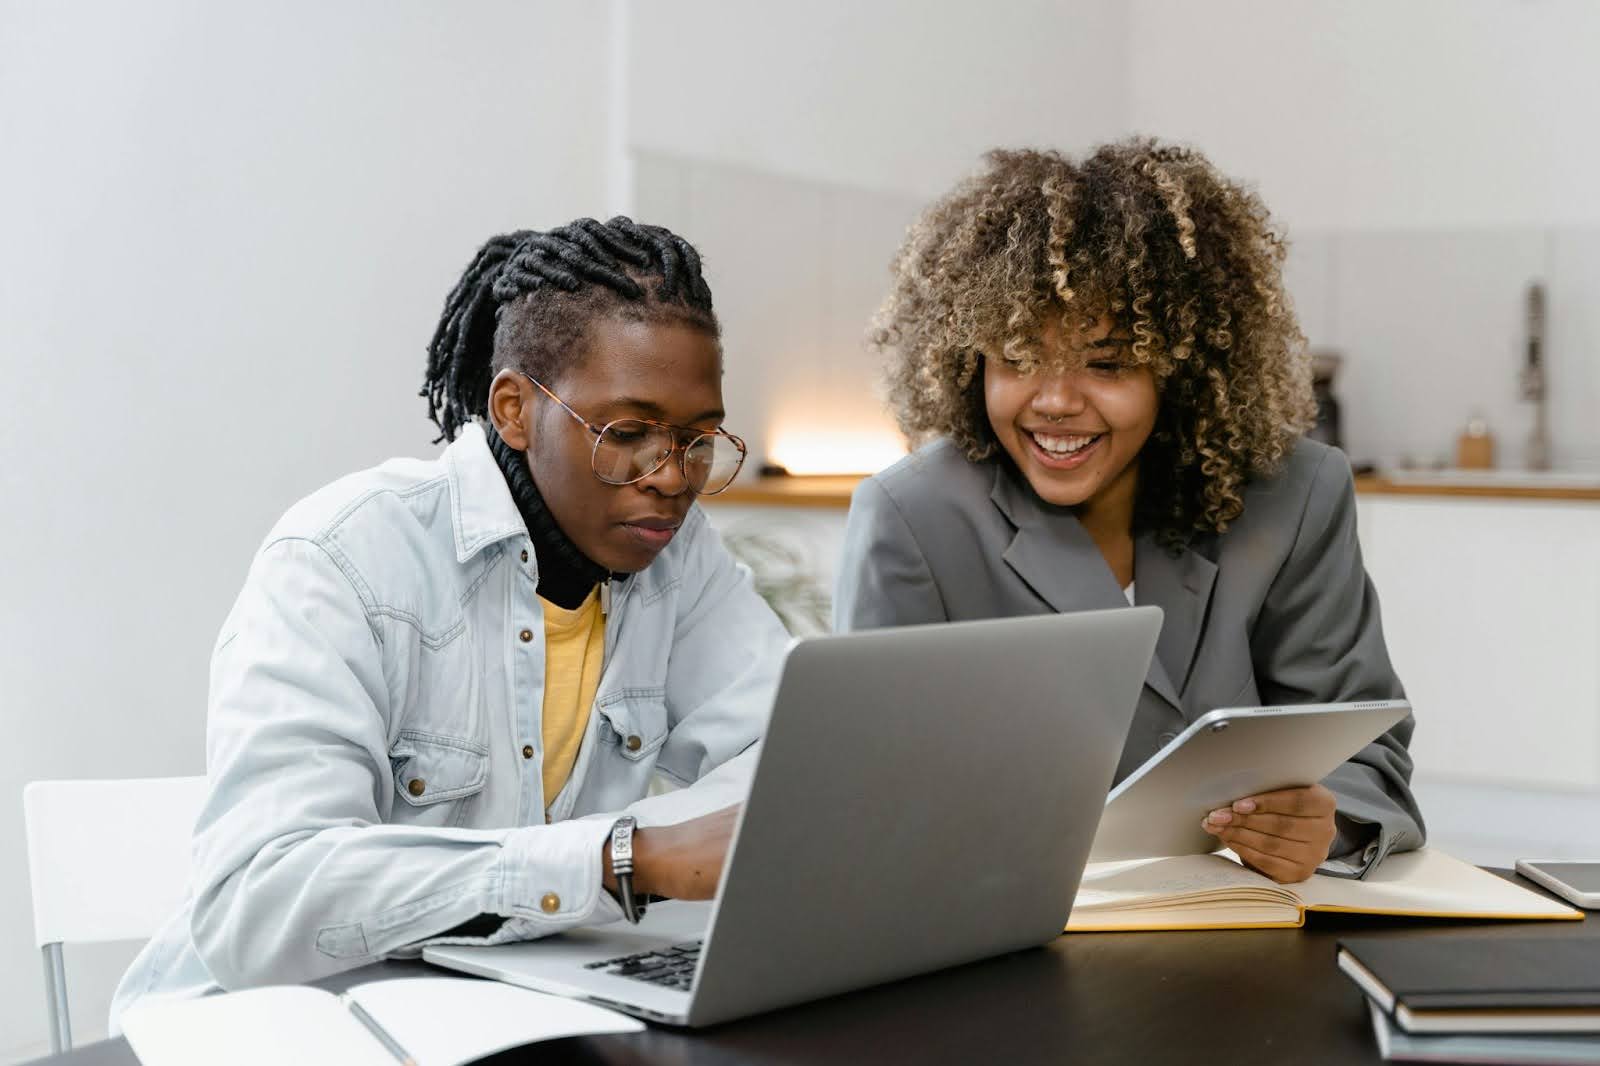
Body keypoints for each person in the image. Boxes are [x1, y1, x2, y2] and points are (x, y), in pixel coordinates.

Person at [112, 217, 790, 1024]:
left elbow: (785, 763)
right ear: (513, 408)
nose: (671, 478)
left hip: (501, 1012)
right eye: (629, 433)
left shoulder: (677, 559)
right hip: (270, 1028)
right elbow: (259, 905)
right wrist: (618, 863)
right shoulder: (344, 555)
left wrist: (636, 860)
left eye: (698, 439)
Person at [834, 141, 1424, 884]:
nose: (1054, 401)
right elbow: (871, 796)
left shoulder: (1296, 495)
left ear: (1180, 366)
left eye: (1106, 363)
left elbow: (1367, 747)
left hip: (1246, 935)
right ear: (968, 357)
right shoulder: (911, 520)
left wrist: (1325, 821)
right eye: (1016, 356)